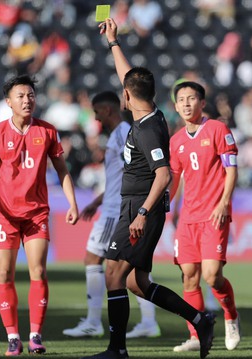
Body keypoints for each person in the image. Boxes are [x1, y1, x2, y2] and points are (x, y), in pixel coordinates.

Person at [81, 17, 215, 359]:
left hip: (141, 208)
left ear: (126, 97)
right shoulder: (144, 114)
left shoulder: (148, 130)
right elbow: (128, 78)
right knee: (135, 282)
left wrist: (142, 213)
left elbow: (163, 174)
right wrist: (113, 42)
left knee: (113, 273)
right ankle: (200, 319)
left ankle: (117, 349)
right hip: (136, 206)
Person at [0, 74, 79, 356]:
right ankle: (13, 337)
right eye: (20, 96)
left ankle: (35, 336)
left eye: (30, 95)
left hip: (36, 214)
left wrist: (72, 204)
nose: (27, 100)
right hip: (5, 215)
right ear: (9, 102)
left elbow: (62, 170)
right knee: (5, 273)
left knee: (38, 271)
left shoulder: (48, 131)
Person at [62, 91, 161, 339]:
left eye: (96, 112)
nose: (95, 118)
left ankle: (94, 322)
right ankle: (148, 322)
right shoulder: (120, 134)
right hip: (113, 206)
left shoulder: (123, 134)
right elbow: (120, 177)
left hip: (115, 211)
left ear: (106, 110)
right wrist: (96, 201)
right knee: (133, 271)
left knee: (92, 260)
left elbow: (136, 173)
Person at [168, 81, 241, 352]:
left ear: (202, 103)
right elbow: (174, 180)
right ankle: (197, 335)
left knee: (212, 276)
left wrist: (224, 203)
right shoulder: (176, 141)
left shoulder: (218, 130)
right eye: (181, 100)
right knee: (189, 276)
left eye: (191, 99)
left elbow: (232, 170)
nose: (186, 104)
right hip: (187, 219)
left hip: (214, 215)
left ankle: (231, 316)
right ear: (176, 107)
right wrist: (163, 207)